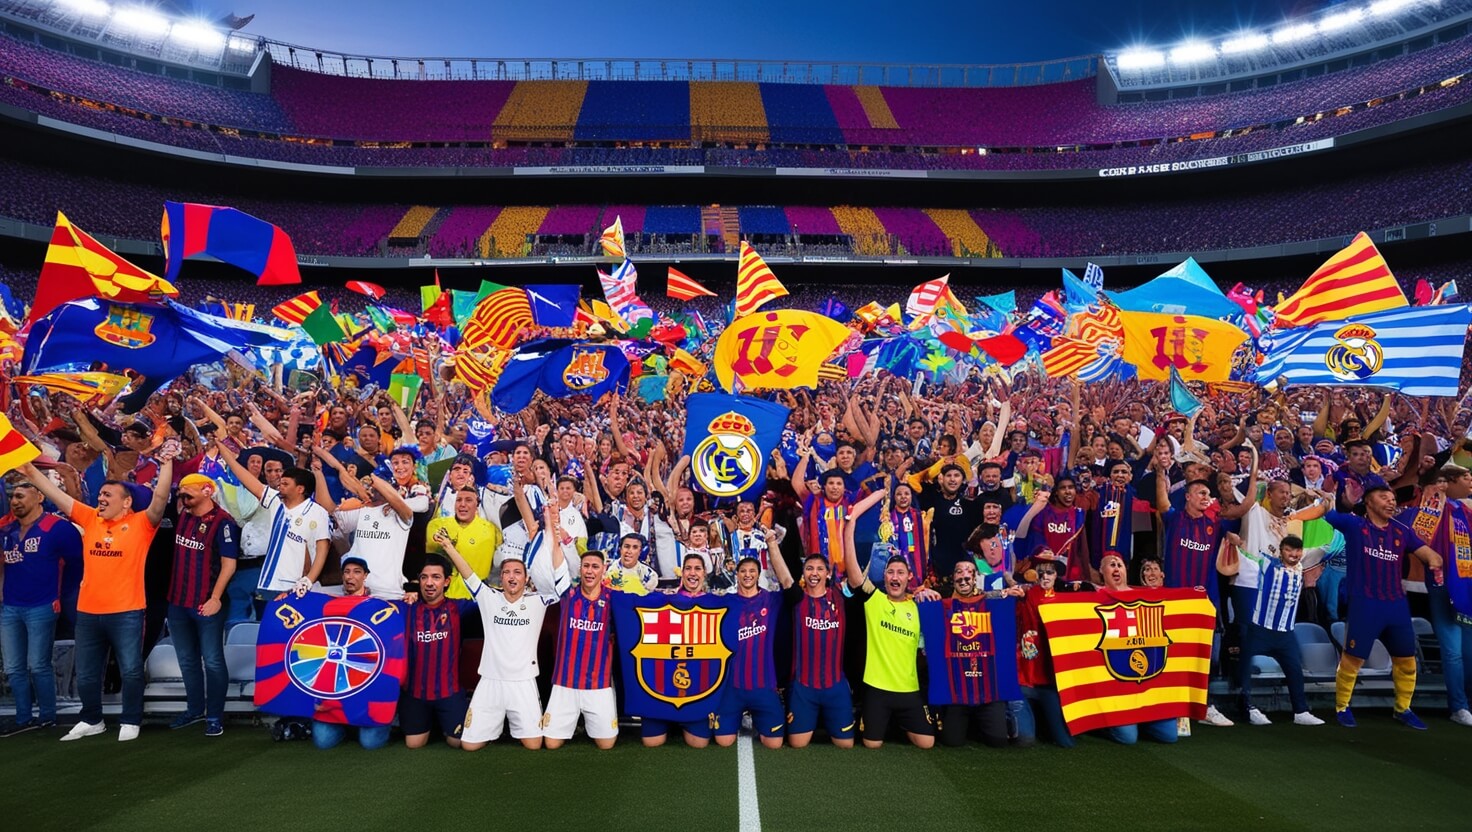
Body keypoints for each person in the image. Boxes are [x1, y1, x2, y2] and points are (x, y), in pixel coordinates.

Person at [20, 449, 174, 743]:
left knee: (130, 669)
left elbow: (160, 499)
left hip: (127, 611)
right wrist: (30, 471)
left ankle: (131, 719)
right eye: (100, 494)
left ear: (126, 503)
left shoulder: (142, 525)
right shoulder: (90, 519)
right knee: (88, 673)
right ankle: (91, 719)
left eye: (108, 495)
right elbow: (54, 493)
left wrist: (166, 464)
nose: (101, 498)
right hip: (88, 611)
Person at [439, 502, 570, 751]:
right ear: (501, 578)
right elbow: (468, 574)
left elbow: (561, 581)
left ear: (526, 578)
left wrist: (552, 532)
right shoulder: (489, 598)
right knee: (468, 746)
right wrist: (447, 546)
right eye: (507, 572)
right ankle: (492, 725)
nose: (511, 576)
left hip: (523, 681)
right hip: (490, 680)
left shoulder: (539, 600)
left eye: (517, 572)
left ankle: (509, 725)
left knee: (533, 745)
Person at [1326, 484, 1443, 729]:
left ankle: (1403, 709)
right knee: (1353, 658)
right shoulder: (1355, 525)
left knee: (1407, 661)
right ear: (1368, 502)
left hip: (1396, 606)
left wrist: (1435, 562)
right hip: (1365, 604)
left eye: (1392, 498)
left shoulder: (1402, 531)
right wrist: (1345, 502)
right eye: (1384, 497)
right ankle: (1342, 707)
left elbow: (1429, 554)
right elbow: (1329, 513)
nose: (1391, 502)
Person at [843, 489, 936, 749]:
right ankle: (886, 720)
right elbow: (854, 577)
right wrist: (849, 530)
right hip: (877, 689)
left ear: (908, 578)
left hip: (909, 690)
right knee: (872, 744)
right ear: (884, 577)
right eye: (890, 572)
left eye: (900, 573)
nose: (895, 577)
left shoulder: (920, 606)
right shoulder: (876, 600)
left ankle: (897, 722)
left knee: (927, 743)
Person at [1218, 532, 1329, 726]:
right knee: (1244, 665)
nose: (1293, 555)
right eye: (1288, 550)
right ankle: (1247, 707)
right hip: (1260, 630)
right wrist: (1237, 541)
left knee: (1295, 670)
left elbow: (1329, 547)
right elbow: (1248, 552)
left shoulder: (1302, 566)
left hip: (1285, 634)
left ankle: (1300, 711)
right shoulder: (1267, 564)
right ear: (1281, 551)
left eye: (1297, 551)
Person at [0, 479, 82, 736]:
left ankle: (47, 715)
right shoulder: (4, 528)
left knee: (38, 664)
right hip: (10, 605)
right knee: (13, 667)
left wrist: (61, 595)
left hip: (43, 603)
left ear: (39, 497)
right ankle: (23, 717)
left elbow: (77, 564)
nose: (15, 501)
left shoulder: (57, 527)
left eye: (21, 496)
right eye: (12, 496)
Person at [166, 474, 241, 737]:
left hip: (206, 601)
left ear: (207, 491)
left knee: (212, 660)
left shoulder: (224, 523)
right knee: (187, 660)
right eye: (181, 495)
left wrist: (216, 598)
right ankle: (195, 708)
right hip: (176, 600)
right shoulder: (183, 514)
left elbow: (229, 564)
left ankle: (215, 716)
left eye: (188, 494)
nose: (183, 499)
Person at [1397, 464, 1472, 727]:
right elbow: (1413, 536)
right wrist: (1435, 505)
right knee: (1453, 651)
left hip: (1467, 587)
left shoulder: (1464, 510)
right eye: (1465, 476)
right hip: (1442, 588)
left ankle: (1467, 703)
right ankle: (1458, 706)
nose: (1470, 480)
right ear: (1444, 483)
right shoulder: (1421, 513)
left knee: (1469, 650)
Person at [926, 560, 1025, 748]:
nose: (963, 577)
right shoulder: (941, 603)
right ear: (952, 577)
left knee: (998, 741)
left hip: (987, 689)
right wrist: (922, 593)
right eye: (958, 572)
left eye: (969, 572)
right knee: (951, 741)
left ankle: (988, 721)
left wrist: (1009, 592)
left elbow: (1010, 594)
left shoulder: (989, 603)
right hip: (957, 691)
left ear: (975, 578)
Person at [217, 443, 331, 599]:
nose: (280, 486)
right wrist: (225, 453)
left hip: (296, 586)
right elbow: (248, 480)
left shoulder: (318, 513)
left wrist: (307, 581)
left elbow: (322, 550)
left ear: (300, 489)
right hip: (267, 583)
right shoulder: (275, 501)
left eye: (285, 484)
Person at [770, 549, 854, 749]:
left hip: (836, 687)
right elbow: (784, 576)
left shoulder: (840, 598)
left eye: (819, 569)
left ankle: (828, 719)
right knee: (798, 745)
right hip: (803, 687)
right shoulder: (798, 599)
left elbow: (858, 579)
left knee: (846, 746)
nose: (814, 573)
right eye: (809, 569)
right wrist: (772, 542)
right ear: (803, 573)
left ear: (828, 574)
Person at [1095, 552, 1179, 746]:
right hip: (1117, 689)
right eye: (1111, 565)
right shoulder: (1094, 598)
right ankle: (1099, 723)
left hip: (1149, 687)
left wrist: (1196, 595)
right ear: (1101, 571)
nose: (1116, 568)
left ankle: (1141, 718)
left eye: (1120, 564)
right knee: (1127, 738)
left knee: (1169, 736)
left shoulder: (1144, 595)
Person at [312, 556, 391, 750]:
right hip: (336, 688)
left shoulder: (379, 607)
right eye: (347, 572)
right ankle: (346, 723)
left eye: (356, 572)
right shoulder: (328, 605)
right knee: (323, 741)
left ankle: (366, 722)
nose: (350, 576)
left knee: (370, 743)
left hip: (367, 687)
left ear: (365, 576)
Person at [544, 550, 620, 750]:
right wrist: (553, 524)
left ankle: (587, 723)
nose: (590, 571)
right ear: (580, 568)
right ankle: (574, 722)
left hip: (598, 683)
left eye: (595, 567)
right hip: (565, 682)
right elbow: (557, 559)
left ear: (603, 570)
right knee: (551, 744)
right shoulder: (568, 594)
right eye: (586, 566)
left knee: (606, 744)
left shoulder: (614, 599)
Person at [713, 557, 786, 749]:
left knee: (774, 744)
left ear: (758, 574)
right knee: (723, 741)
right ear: (736, 574)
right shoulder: (725, 602)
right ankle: (740, 717)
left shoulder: (771, 599)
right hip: (733, 687)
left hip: (764, 685)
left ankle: (755, 717)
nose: (747, 575)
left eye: (752, 571)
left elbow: (788, 584)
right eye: (743, 571)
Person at [401, 555, 468, 750]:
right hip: (415, 693)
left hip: (449, 691)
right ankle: (433, 722)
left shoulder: (458, 607)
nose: (429, 583)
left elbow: (489, 599)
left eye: (436, 577)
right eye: (424, 577)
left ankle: (446, 720)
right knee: (414, 744)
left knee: (459, 742)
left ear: (447, 581)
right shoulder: (406, 608)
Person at [425, 485, 502, 600]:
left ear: (477, 505)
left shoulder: (491, 530)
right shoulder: (437, 525)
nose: (462, 504)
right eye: (459, 500)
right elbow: (431, 558)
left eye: (469, 500)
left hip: (476, 599)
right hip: (445, 597)